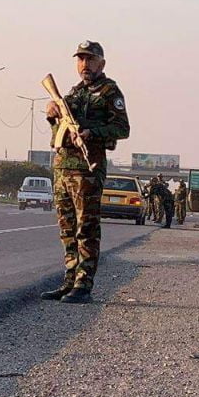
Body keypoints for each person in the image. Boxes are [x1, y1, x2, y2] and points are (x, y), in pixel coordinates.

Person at [41, 41, 130, 303]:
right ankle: (69, 280)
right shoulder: (74, 93)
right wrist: (52, 114)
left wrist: (93, 132)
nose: (84, 65)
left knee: (86, 228)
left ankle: (83, 284)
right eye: (80, 59)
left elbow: (122, 128)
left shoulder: (109, 91)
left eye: (90, 59)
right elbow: (59, 131)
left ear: (101, 63)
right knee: (67, 228)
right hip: (63, 167)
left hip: (87, 170)